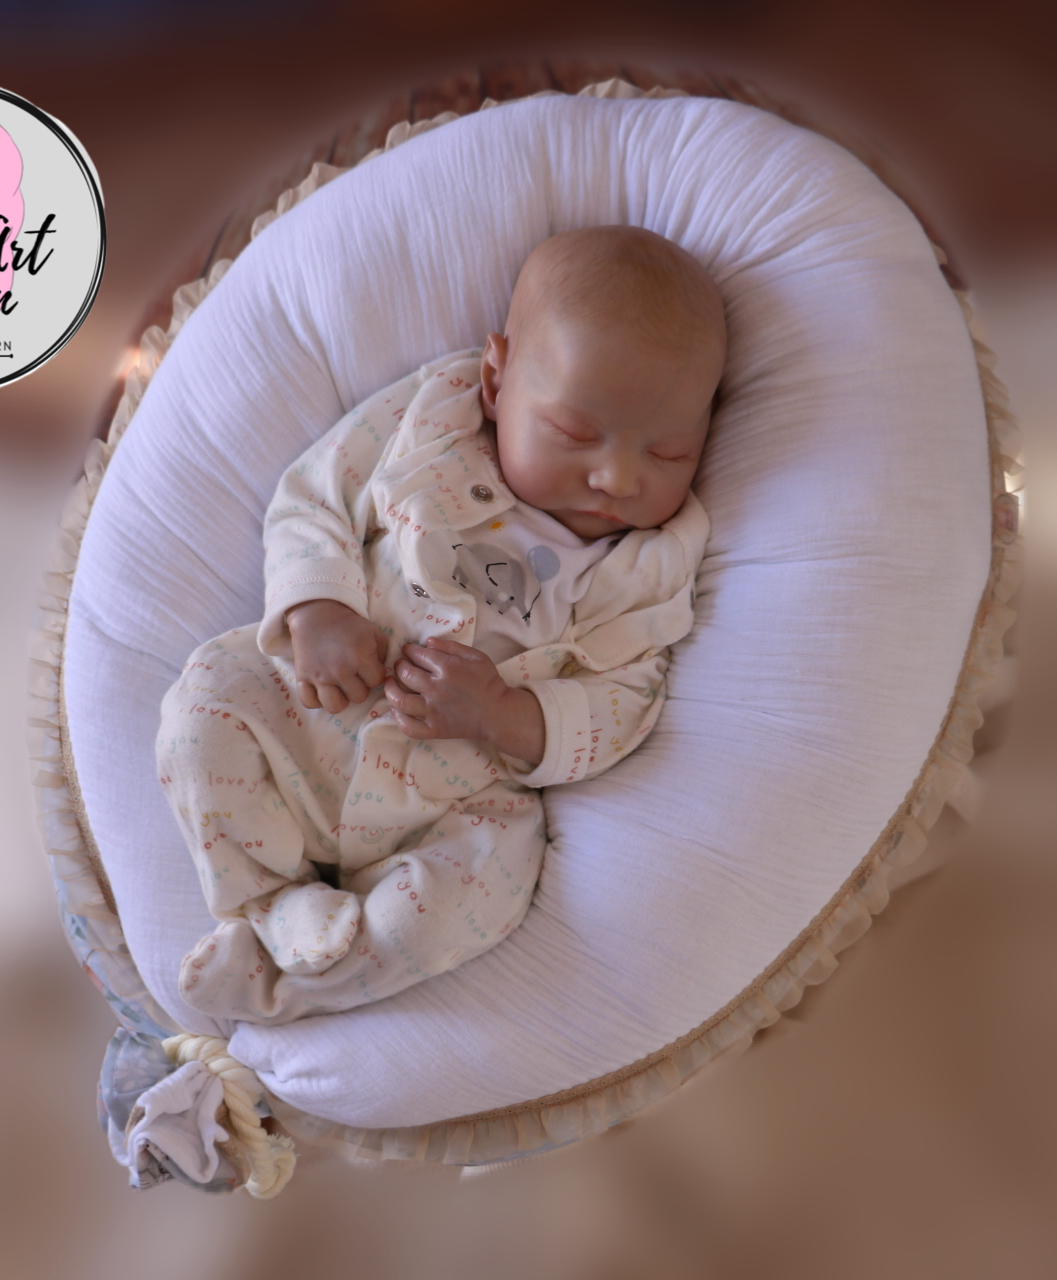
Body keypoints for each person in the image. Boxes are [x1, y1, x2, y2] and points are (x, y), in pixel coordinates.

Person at [157, 225, 724, 1023]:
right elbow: (315, 498)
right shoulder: (432, 424)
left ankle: (284, 981)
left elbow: (626, 701)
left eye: (668, 453)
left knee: (487, 888)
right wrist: (319, 609)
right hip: (312, 709)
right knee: (209, 696)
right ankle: (266, 899)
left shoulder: (650, 567)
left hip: (448, 799)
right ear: (496, 381)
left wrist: (505, 716)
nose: (615, 476)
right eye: (574, 433)